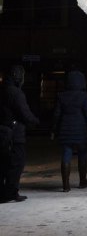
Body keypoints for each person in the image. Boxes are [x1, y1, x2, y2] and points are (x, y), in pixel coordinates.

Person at [0, 65, 39, 203]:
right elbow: (24, 113)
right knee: (16, 163)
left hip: (3, 132)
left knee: (3, 163)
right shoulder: (16, 93)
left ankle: (3, 192)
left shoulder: (3, 89)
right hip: (14, 134)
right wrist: (36, 121)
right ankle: (10, 193)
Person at [53, 70, 87, 192]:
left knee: (66, 155)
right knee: (82, 154)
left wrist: (53, 129)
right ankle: (82, 181)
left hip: (65, 130)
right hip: (81, 130)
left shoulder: (61, 96)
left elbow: (56, 115)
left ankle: (66, 185)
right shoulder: (84, 96)